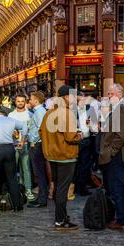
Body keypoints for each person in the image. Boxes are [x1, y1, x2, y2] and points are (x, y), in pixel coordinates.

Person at [40, 85, 83, 230]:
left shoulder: (49, 112)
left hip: (52, 156)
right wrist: (80, 135)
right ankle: (60, 220)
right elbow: (71, 137)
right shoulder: (66, 113)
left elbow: (41, 132)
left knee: (58, 187)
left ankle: (62, 216)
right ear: (66, 97)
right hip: (66, 155)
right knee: (63, 190)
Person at [99, 84, 124, 231]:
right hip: (121, 153)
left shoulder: (122, 109)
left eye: (110, 94)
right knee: (122, 187)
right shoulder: (122, 108)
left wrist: (111, 151)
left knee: (117, 188)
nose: (108, 97)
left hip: (119, 155)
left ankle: (123, 220)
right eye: (108, 94)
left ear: (118, 94)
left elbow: (121, 135)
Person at [8, 94, 35, 201]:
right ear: (15, 102)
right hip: (14, 144)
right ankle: (14, 190)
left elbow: (33, 129)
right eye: (18, 101)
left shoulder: (30, 114)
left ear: (25, 102)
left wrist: (29, 139)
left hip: (26, 144)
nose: (20, 103)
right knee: (13, 168)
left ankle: (28, 190)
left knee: (26, 168)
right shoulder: (10, 115)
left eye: (22, 101)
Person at [27, 91, 49, 208]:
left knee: (39, 173)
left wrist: (34, 141)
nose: (29, 101)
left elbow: (41, 128)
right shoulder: (39, 111)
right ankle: (41, 198)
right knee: (39, 173)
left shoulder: (39, 112)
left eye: (30, 99)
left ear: (36, 100)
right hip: (37, 144)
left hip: (37, 145)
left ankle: (42, 199)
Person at [74, 93, 93, 196]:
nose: (82, 101)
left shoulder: (89, 109)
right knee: (76, 164)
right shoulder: (72, 111)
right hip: (77, 141)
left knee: (85, 165)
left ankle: (82, 187)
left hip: (87, 140)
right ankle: (75, 186)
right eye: (79, 100)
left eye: (83, 99)